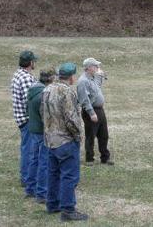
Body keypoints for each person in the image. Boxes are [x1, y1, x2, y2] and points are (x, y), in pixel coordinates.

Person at [42, 63, 88, 222]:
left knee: (53, 174)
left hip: (50, 140)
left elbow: (43, 113)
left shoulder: (47, 89)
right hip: (65, 140)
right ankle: (68, 209)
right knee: (69, 176)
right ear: (71, 77)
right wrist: (77, 136)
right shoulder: (67, 92)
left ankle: (52, 204)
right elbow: (71, 118)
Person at [24, 68, 56, 203]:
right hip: (42, 132)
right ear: (50, 79)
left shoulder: (32, 91)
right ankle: (42, 193)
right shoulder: (44, 94)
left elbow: (27, 110)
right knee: (44, 162)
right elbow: (47, 116)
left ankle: (30, 189)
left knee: (33, 160)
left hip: (33, 130)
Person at [77, 57, 114, 166]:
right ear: (88, 68)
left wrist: (102, 75)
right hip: (91, 111)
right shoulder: (83, 81)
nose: (98, 68)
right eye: (95, 66)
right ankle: (89, 159)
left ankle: (105, 158)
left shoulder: (92, 78)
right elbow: (84, 99)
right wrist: (91, 113)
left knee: (104, 135)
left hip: (100, 110)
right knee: (91, 135)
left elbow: (98, 85)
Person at [11, 50, 37, 187]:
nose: (35, 63)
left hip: (21, 118)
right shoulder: (26, 78)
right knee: (29, 150)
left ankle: (25, 176)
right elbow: (31, 100)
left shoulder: (18, 74)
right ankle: (27, 178)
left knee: (26, 148)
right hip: (28, 119)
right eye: (34, 61)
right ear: (30, 62)